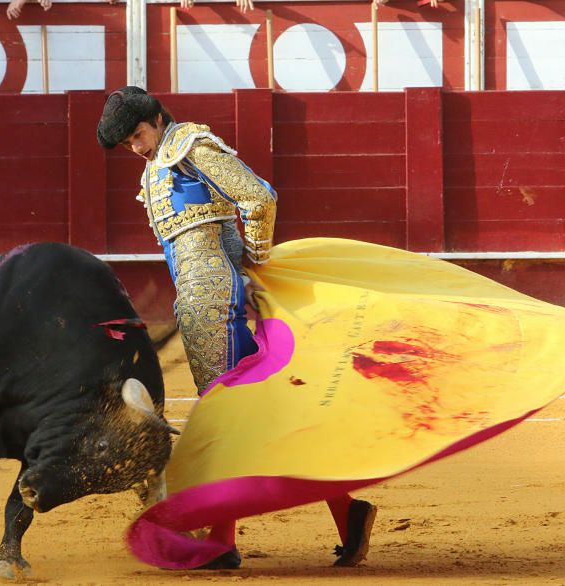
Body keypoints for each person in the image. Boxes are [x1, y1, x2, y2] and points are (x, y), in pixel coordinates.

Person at [96, 86, 377, 570]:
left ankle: (222, 541)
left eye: (139, 135)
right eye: (127, 144)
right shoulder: (162, 159)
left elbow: (257, 196)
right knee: (257, 416)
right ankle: (347, 511)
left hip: (210, 301)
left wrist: (257, 262)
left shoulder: (188, 145)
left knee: (227, 417)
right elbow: (226, 221)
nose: (137, 148)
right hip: (201, 297)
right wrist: (238, 269)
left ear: (158, 118)